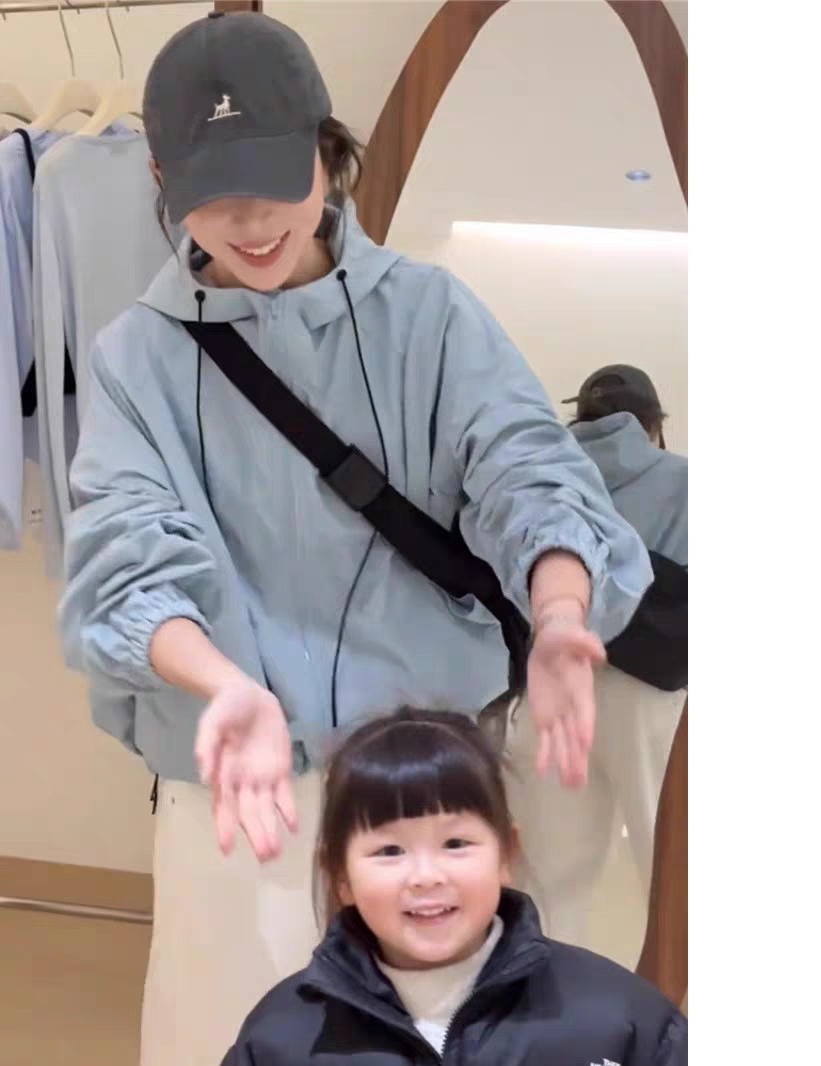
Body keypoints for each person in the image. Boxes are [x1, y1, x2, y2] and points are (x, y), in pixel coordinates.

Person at [58, 12, 652, 1065]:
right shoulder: (136, 359)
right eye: (213, 194)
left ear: (326, 154)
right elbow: (124, 559)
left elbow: (526, 469)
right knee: (232, 1036)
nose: (249, 223)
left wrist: (560, 608)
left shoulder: (430, 315)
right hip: (244, 791)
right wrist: (222, 685)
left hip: (426, 780)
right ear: (160, 177)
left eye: (274, 181)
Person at [221, 708, 687, 1065]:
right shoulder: (282, 1039)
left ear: (506, 853)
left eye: (455, 844)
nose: (426, 875)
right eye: (390, 851)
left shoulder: (616, 1019)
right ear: (341, 876)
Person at [505, 364, 688, 949]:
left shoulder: (545, 476)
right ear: (653, 424)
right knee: (669, 856)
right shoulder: (684, 480)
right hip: (649, 690)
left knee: (551, 867)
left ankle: (548, 987)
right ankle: (678, 992)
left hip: (552, 679)